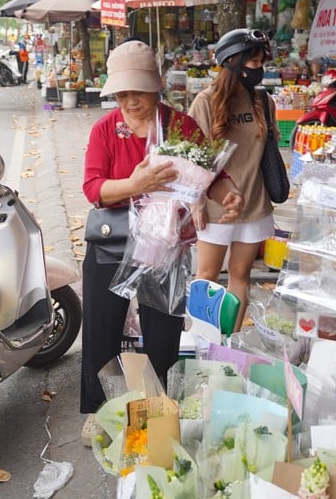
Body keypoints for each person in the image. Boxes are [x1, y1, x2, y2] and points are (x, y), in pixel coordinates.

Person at [80, 40, 242, 438]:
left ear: (155, 87)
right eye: (122, 94)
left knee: (163, 331)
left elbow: (212, 175)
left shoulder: (181, 126)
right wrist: (134, 184)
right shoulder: (105, 130)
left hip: (167, 245)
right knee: (102, 329)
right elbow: (93, 188)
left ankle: (159, 409)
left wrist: (228, 196)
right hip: (113, 243)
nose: (129, 101)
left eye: (137, 92)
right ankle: (98, 411)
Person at [188, 28, 276, 332]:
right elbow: (193, 156)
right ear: (233, 62)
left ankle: (229, 341)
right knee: (207, 275)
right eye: (253, 62)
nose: (259, 69)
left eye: (261, 61)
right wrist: (196, 201)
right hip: (216, 207)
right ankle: (201, 340)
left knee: (241, 274)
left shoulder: (263, 102)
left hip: (254, 203)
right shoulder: (206, 101)